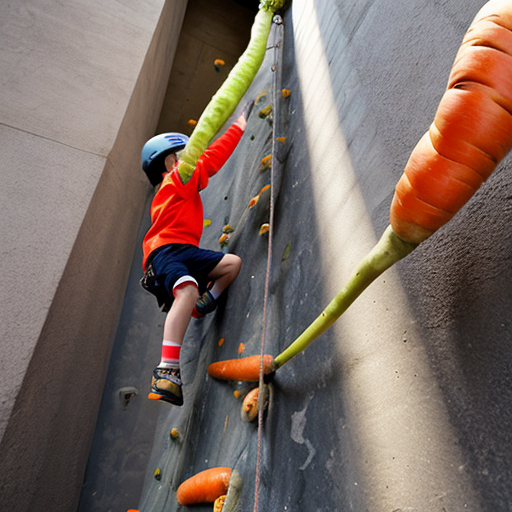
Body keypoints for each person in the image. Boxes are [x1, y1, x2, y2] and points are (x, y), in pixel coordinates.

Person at [140, 103, 252, 406]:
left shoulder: (180, 186)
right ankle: (167, 369)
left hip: (186, 250)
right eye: (180, 157)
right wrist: (238, 126)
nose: (187, 161)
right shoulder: (173, 182)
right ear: (167, 165)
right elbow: (211, 159)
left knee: (232, 264)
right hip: (164, 251)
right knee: (186, 288)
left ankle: (204, 303)